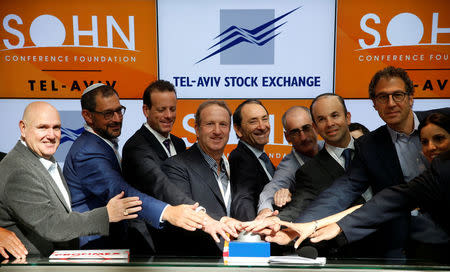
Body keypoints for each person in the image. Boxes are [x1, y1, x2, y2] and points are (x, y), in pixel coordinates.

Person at [271, 66, 450, 258]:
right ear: (374, 104)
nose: (390, 103)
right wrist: (297, 226)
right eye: (382, 97)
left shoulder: (443, 121)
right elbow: (343, 192)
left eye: (397, 95)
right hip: (406, 245)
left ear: (411, 98)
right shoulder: (369, 145)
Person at [63, 84, 205, 250]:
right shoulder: (88, 151)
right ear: (87, 116)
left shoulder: (102, 144)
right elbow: (120, 192)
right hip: (94, 250)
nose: (117, 118)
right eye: (108, 113)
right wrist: (168, 212)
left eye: (119, 110)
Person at [0, 102, 142, 257]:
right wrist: (107, 214)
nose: (51, 135)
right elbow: (51, 225)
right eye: (42, 127)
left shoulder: (43, 159)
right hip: (31, 267)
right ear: (23, 128)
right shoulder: (20, 171)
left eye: (56, 127)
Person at [161, 100, 242, 256]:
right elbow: (186, 209)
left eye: (223, 124)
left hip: (237, 259)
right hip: (199, 262)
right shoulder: (175, 166)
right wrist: (223, 220)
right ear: (197, 129)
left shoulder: (235, 167)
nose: (217, 131)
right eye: (210, 124)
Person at [257, 106, 324, 218]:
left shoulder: (331, 147)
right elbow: (272, 188)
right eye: (295, 132)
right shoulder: (289, 165)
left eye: (306, 128)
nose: (303, 137)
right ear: (287, 137)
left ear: (315, 127)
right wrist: (264, 211)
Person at [229, 99, 275, 221]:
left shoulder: (261, 157)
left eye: (265, 119)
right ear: (238, 130)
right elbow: (243, 198)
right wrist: (250, 234)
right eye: (253, 121)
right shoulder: (239, 159)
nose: (262, 126)